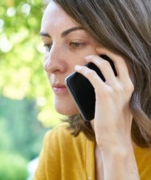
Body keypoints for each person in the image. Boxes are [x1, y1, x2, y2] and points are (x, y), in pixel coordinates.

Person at [34, 0, 151, 179]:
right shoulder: (61, 144)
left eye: (75, 43)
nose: (50, 64)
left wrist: (115, 149)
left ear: (126, 52)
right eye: (48, 45)